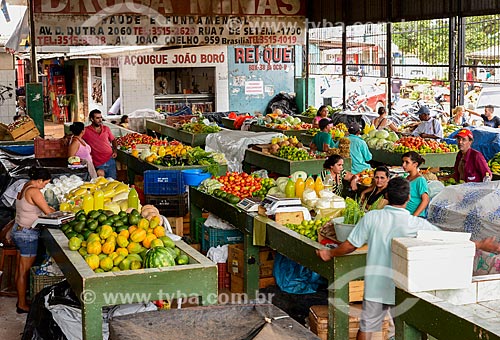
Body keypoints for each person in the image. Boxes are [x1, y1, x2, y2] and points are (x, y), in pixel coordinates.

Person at [316, 177, 500, 340]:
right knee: (407, 327)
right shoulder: (416, 224)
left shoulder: (372, 217)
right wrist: (480, 245)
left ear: (386, 195)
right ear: (408, 199)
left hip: (376, 285)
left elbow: (350, 245)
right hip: (405, 288)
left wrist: (329, 253)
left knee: (368, 328)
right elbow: (447, 241)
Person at [11, 167, 55, 313]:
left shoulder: (24, 186)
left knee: (20, 268)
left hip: (18, 230)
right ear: (39, 180)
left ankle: (21, 300)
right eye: (45, 183)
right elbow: (48, 212)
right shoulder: (34, 191)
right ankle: (22, 304)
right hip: (27, 235)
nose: (45, 186)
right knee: (24, 271)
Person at [83, 109, 118, 179]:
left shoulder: (106, 129)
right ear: (92, 119)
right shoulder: (86, 130)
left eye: (101, 117)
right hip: (98, 162)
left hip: (110, 160)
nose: (100, 120)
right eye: (97, 118)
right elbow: (76, 136)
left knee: (113, 182)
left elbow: (113, 140)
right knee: (100, 184)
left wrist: (115, 151)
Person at [401, 151, 429, 217]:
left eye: (407, 162)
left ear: (415, 164)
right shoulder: (407, 178)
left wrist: (414, 216)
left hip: (417, 217)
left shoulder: (420, 180)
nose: (403, 165)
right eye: (403, 162)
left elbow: (425, 200)